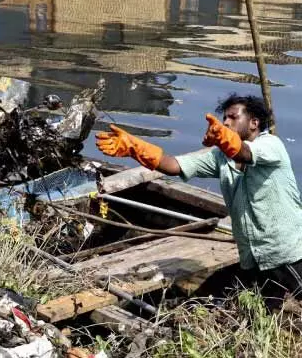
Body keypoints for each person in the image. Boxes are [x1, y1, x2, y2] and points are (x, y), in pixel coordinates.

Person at [95, 94, 302, 302]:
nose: (226, 122)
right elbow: (174, 165)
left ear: (254, 123)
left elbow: (244, 153)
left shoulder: (271, 145)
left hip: (287, 255)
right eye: (224, 119)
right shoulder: (221, 157)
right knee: (207, 300)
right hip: (253, 259)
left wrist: (225, 138)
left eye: (233, 117)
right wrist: (135, 147)